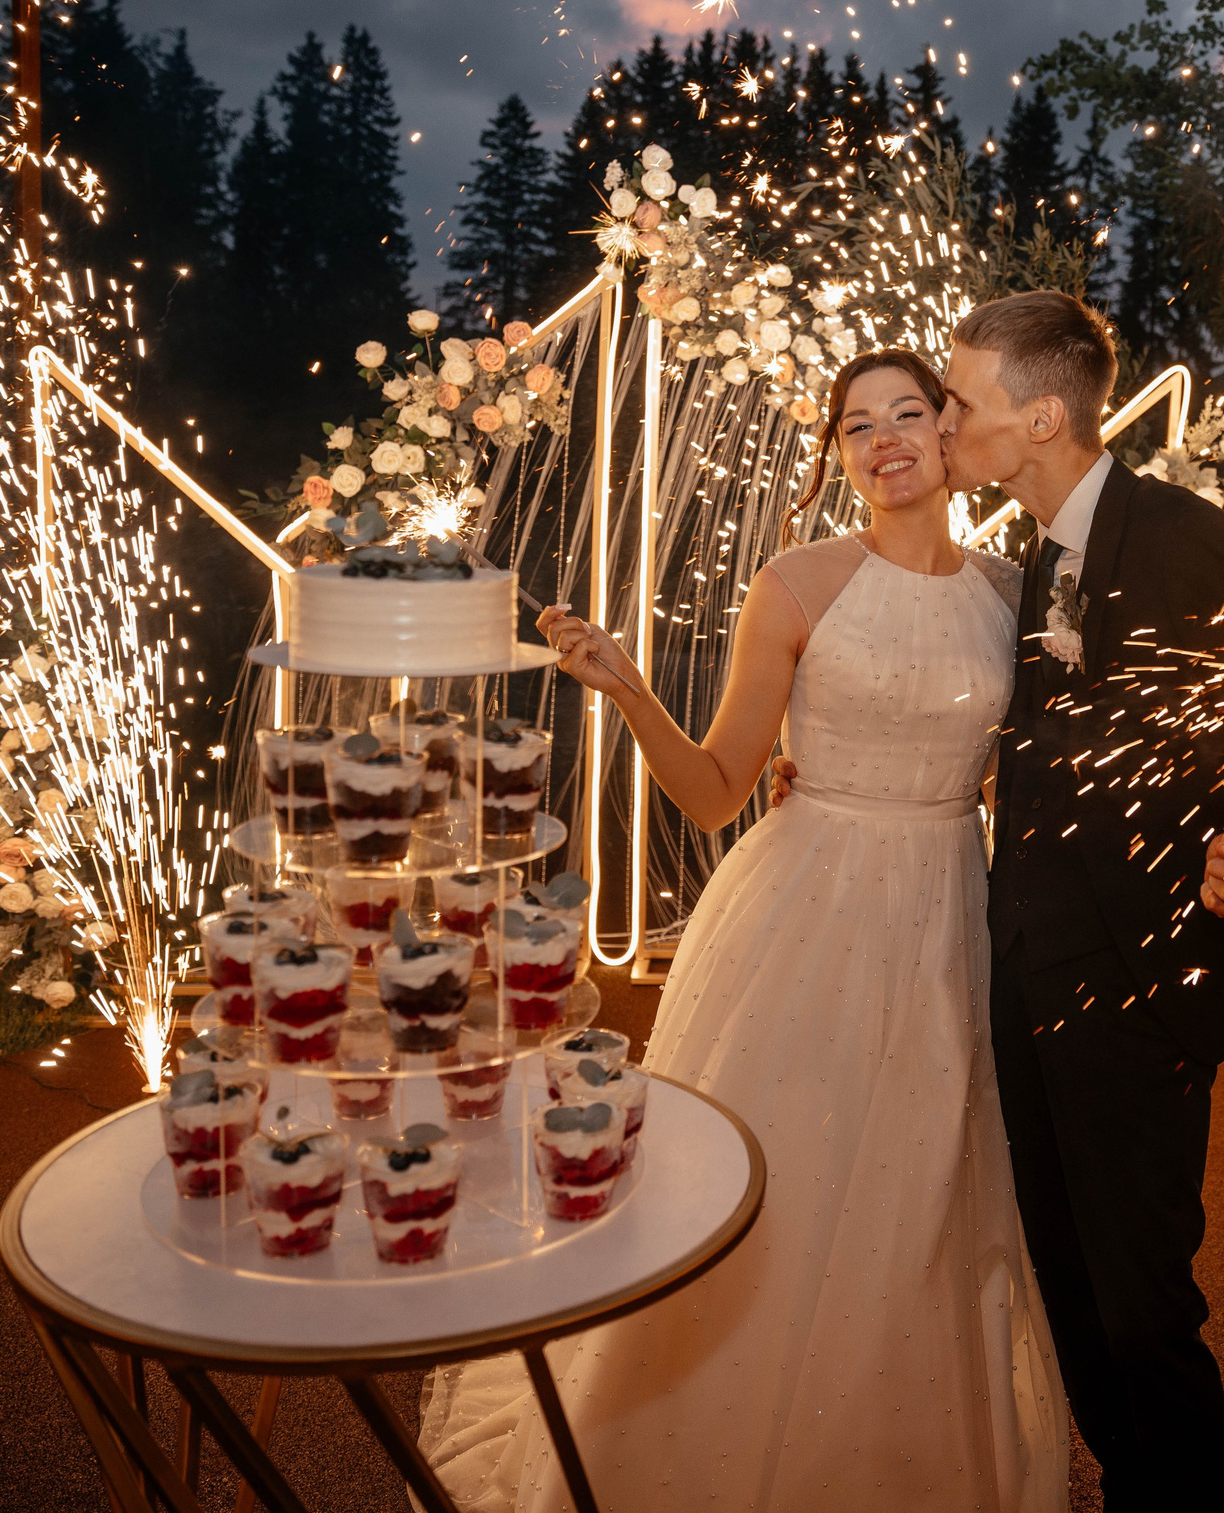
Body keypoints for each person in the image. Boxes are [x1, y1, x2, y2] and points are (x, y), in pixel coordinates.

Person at [419, 347, 1068, 1513]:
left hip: (950, 916)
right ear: (838, 457)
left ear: (949, 430)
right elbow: (718, 788)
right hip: (807, 907)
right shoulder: (797, 582)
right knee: (779, 1170)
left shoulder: (1013, 600)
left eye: (908, 413)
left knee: (925, 1185)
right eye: (857, 425)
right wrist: (625, 687)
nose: (885, 441)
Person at [781, 292, 1224, 1511]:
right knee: (1063, 1271)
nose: (944, 423)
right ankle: (1129, 1481)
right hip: (1027, 967)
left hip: (1142, 985)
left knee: (1142, 1298)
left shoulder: (1180, 536)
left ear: (1043, 415)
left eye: (959, 402)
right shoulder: (1032, 563)